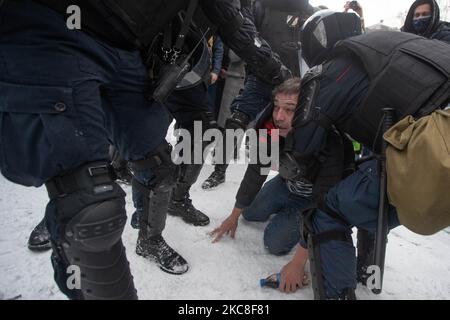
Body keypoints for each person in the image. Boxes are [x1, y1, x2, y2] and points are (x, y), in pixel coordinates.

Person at [0, 0, 290, 300]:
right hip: (57, 27)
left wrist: (282, 75)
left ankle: (149, 239)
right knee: (86, 201)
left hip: (130, 51)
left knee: (158, 166)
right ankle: (62, 213)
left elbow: (233, 22)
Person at [278, 10, 450, 299]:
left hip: (435, 147)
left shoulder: (330, 69)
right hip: (433, 140)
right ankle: (367, 269)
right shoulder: (391, 42)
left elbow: (304, 146)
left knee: (328, 211)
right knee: (368, 185)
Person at [202, 0, 317, 190]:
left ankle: (286, 176)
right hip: (262, 76)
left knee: (290, 128)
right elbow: (246, 34)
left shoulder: (308, 11)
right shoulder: (261, 6)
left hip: (293, 82)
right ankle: (219, 170)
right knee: (236, 120)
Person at [210, 78, 311, 257]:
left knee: (274, 245)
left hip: (312, 198)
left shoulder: (320, 135)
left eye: (289, 109)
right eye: (276, 107)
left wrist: (300, 259)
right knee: (248, 213)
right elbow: (255, 172)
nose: (279, 116)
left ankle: (297, 216)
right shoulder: (271, 128)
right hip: (285, 183)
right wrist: (233, 216)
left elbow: (331, 193)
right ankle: (280, 202)